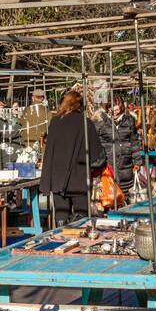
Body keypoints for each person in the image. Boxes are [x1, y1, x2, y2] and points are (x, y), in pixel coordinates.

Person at [39, 88, 106, 224]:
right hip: (79, 179)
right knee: (82, 219)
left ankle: (59, 241)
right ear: (79, 104)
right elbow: (98, 154)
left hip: (57, 179)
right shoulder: (84, 122)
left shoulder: (55, 122)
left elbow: (49, 151)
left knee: (61, 218)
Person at [94, 97, 140, 195]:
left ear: (122, 108)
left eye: (117, 110)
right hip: (108, 164)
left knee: (126, 194)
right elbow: (94, 142)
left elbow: (134, 142)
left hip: (126, 164)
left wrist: (137, 161)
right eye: (111, 110)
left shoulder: (129, 120)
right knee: (110, 194)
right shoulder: (100, 122)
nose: (114, 113)